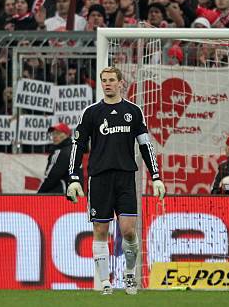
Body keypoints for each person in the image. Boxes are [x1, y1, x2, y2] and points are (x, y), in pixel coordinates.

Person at [66, 66, 165, 295]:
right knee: (100, 230)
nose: (107, 84)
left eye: (111, 80)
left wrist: (156, 176)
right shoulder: (91, 113)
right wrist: (74, 178)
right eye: (104, 80)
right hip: (99, 179)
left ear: (121, 83)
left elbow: (145, 145)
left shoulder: (133, 111)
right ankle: (105, 282)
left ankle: (130, 274)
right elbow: (78, 146)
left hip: (125, 178)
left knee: (128, 231)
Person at [38, 123, 74, 194]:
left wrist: (40, 193)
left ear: (67, 135)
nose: (54, 136)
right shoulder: (73, 150)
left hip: (61, 195)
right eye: (53, 134)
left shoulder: (61, 152)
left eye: (58, 133)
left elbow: (52, 176)